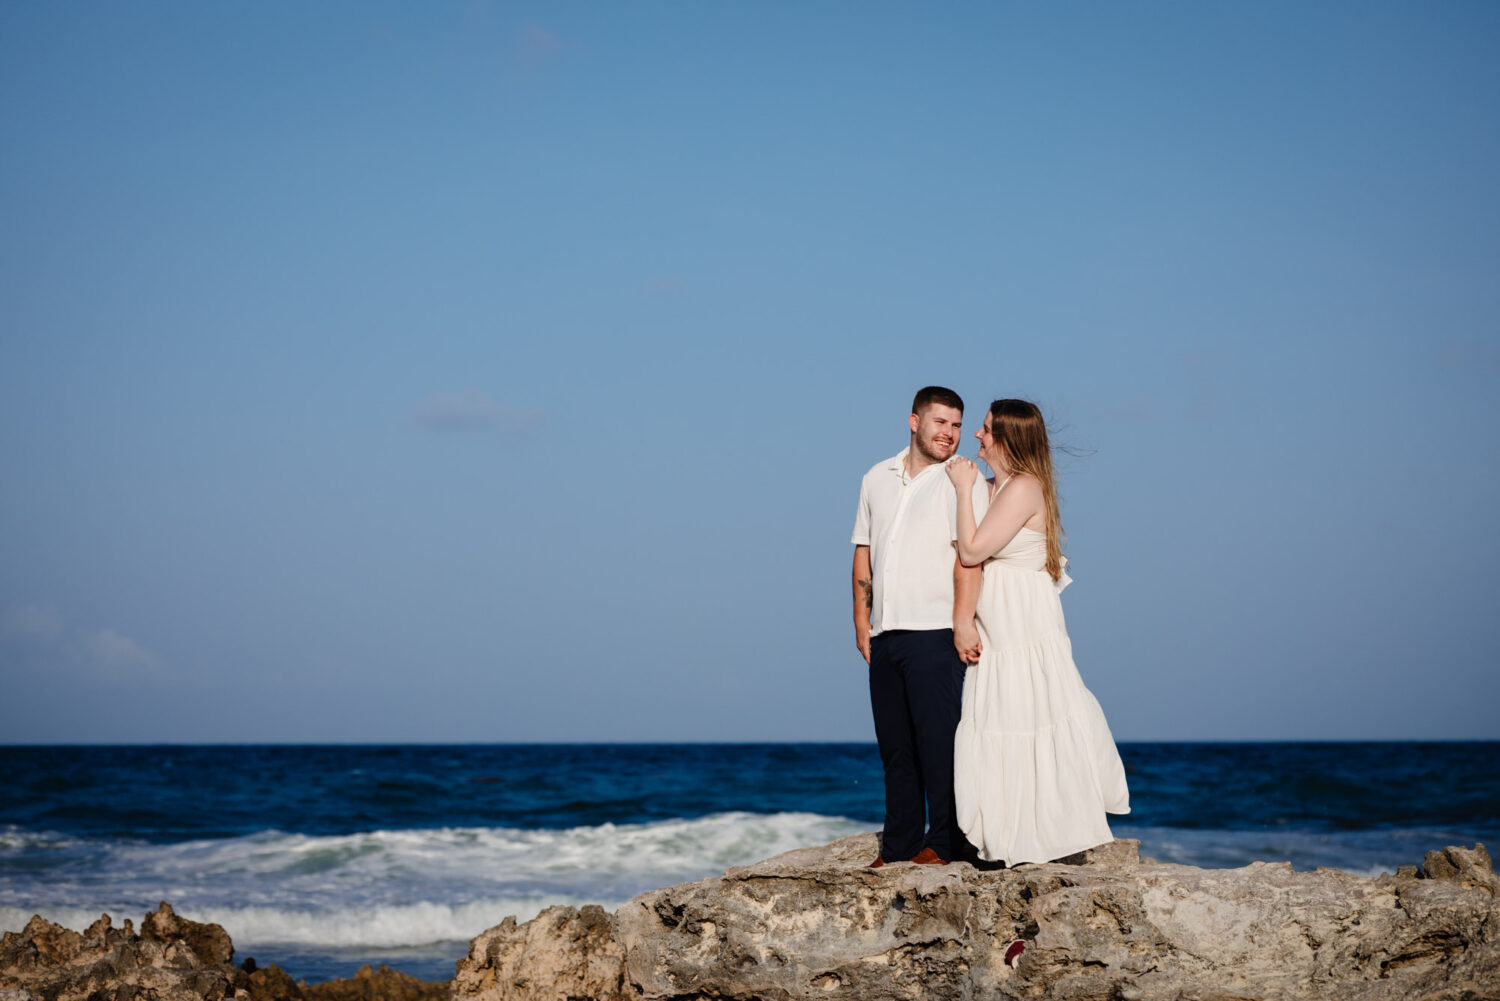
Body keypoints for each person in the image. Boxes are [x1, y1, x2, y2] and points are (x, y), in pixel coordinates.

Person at [945, 399, 1130, 865]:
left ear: (1006, 439)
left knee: (1030, 713)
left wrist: (964, 489)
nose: (976, 437)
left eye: (985, 430)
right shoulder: (1002, 487)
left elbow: (971, 551)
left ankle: (1048, 830)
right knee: (1006, 716)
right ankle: (1013, 834)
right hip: (1005, 623)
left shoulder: (1024, 487)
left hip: (1022, 623)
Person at [851, 386, 989, 867]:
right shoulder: (875, 478)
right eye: (940, 423)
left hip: (935, 633)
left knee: (940, 747)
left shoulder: (960, 481)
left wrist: (961, 623)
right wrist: (860, 620)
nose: (949, 434)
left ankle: (946, 845)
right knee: (896, 750)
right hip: (886, 634)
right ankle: (899, 846)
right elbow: (863, 551)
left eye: (956, 425)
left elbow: (967, 559)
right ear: (914, 422)